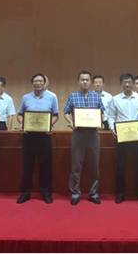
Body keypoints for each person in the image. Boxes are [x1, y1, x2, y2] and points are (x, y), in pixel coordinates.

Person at [16, 73, 59, 204]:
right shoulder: (26, 97)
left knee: (45, 165)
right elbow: (20, 114)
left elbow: (56, 115)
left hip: (44, 136)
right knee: (27, 165)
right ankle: (25, 193)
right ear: (32, 83)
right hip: (29, 136)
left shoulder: (52, 97)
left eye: (40, 81)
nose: (38, 83)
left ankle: (46, 192)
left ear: (44, 83)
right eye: (36, 81)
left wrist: (50, 125)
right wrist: (22, 124)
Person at [64, 70, 105, 205]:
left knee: (94, 165)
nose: (85, 82)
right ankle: (75, 193)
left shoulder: (96, 96)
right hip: (78, 134)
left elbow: (102, 112)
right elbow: (66, 112)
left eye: (87, 80)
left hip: (93, 134)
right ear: (78, 81)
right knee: (76, 165)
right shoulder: (73, 96)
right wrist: (71, 123)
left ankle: (93, 193)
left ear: (90, 82)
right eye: (82, 80)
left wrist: (100, 122)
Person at [107, 73, 138, 204]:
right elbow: (111, 116)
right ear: (121, 84)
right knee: (120, 166)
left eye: (129, 82)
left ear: (133, 83)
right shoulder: (115, 99)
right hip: (121, 136)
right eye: (124, 82)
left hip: (137, 136)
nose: (127, 84)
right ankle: (120, 193)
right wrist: (112, 128)